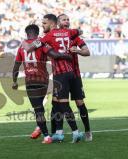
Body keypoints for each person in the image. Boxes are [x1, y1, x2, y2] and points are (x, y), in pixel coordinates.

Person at [22, 14, 83, 143]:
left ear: (52, 24)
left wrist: (24, 41)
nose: (42, 25)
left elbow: (30, 48)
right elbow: (79, 31)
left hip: (60, 73)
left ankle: (74, 132)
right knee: (56, 104)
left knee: (62, 104)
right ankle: (58, 133)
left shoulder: (48, 37)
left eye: (44, 23)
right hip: (69, 72)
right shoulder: (67, 32)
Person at [12, 24, 72, 144]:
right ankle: (43, 129)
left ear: (27, 33)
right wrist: (66, 55)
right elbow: (54, 55)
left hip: (30, 82)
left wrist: (14, 81)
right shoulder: (41, 44)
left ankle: (46, 136)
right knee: (41, 108)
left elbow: (16, 66)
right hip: (43, 81)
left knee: (38, 110)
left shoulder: (21, 47)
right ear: (37, 33)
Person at [55, 13, 92, 141]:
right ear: (58, 22)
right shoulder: (53, 36)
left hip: (75, 75)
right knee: (59, 104)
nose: (67, 21)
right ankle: (59, 132)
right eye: (64, 19)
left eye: (68, 19)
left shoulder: (74, 36)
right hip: (60, 75)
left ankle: (87, 129)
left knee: (79, 102)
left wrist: (78, 51)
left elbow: (87, 52)